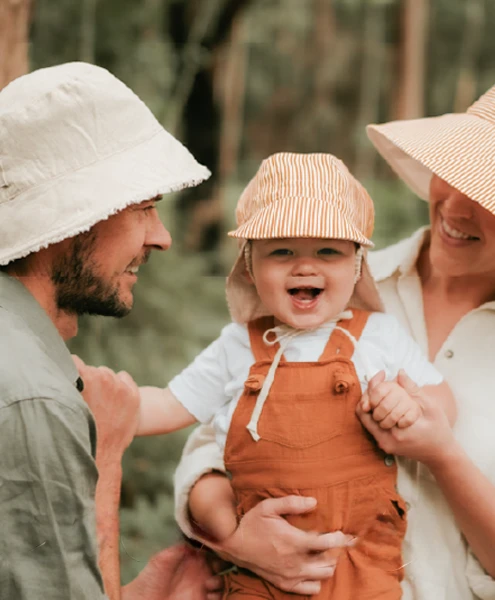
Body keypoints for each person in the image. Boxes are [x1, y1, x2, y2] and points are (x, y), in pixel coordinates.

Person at [171, 48, 495, 599]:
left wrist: (443, 454)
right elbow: (211, 445)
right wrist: (236, 539)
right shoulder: (325, 284)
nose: (457, 207)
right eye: (458, 172)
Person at [106, 152, 454, 599]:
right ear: (250, 267)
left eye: (328, 251)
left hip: (359, 567)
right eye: (282, 251)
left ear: (356, 266)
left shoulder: (378, 337)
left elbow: (444, 405)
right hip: (261, 574)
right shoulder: (238, 347)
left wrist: (408, 406)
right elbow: (170, 405)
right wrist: (102, 402)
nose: (304, 266)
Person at [0, 61, 222, 600]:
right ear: (76, 216)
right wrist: (108, 458)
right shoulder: (36, 400)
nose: (162, 237)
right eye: (145, 208)